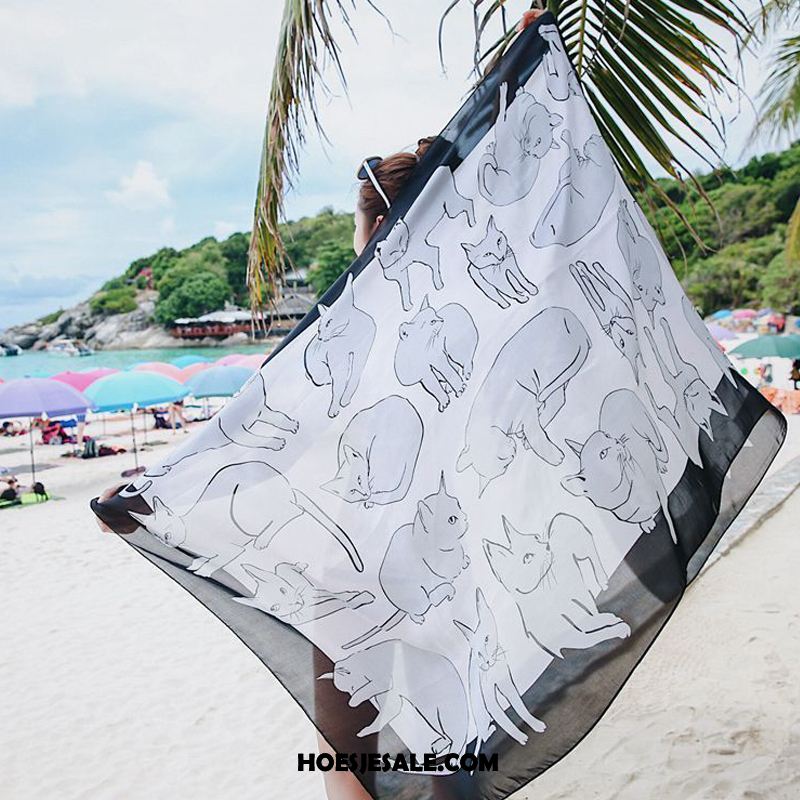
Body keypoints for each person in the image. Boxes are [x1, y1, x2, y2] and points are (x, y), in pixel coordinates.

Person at [96, 9, 547, 799]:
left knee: (359, 770)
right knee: (447, 753)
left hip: (356, 583)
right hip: (447, 566)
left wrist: (148, 494)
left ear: (373, 225)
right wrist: (513, 64)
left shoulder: (346, 332)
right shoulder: (466, 317)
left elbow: (259, 430)